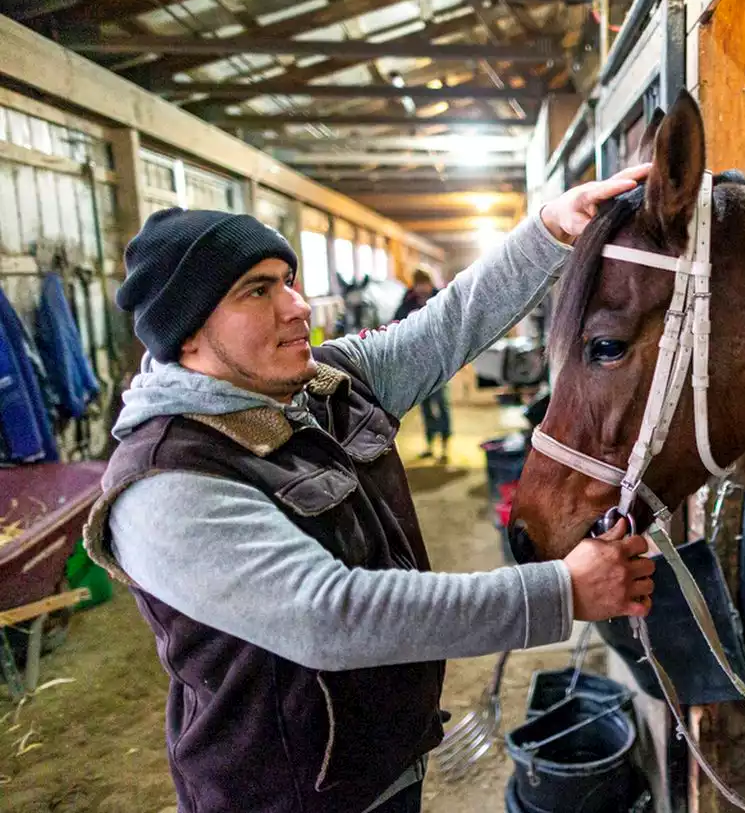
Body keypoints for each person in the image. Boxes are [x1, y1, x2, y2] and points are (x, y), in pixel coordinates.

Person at [84, 164, 654, 813]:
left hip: (379, 767)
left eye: (289, 282)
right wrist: (561, 591)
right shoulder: (166, 478)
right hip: (285, 798)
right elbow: (328, 614)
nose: (298, 307)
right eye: (257, 290)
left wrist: (549, 229)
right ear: (187, 333)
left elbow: (446, 327)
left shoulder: (322, 385)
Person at [393, 271, 451, 462]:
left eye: (424, 283)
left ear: (429, 283)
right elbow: (395, 323)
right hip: (417, 364)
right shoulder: (407, 302)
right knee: (425, 405)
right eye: (418, 284)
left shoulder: (441, 298)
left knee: (441, 403)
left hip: (439, 362)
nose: (421, 288)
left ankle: (444, 446)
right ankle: (430, 444)